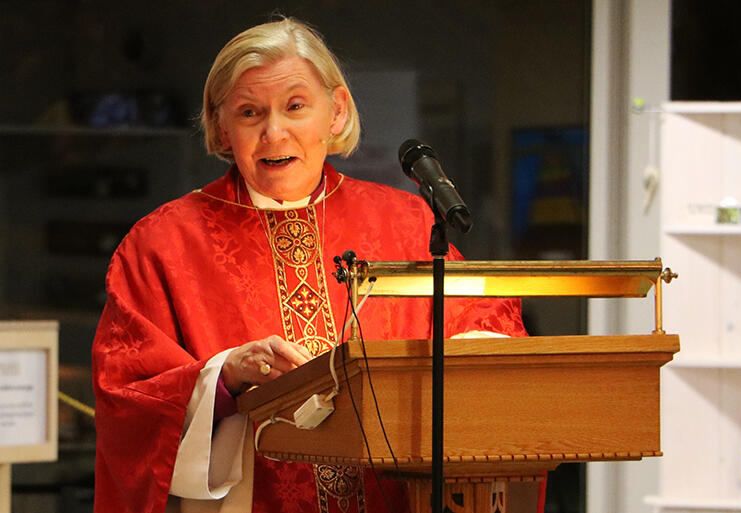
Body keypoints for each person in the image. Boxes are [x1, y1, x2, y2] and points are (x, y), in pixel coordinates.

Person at [91, 17, 528, 513]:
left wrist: (479, 355)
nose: (274, 132)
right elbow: (126, 398)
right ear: (221, 127)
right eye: (250, 112)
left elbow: (491, 330)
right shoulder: (162, 243)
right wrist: (224, 376)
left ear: (336, 112)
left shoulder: (407, 225)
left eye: (295, 106)